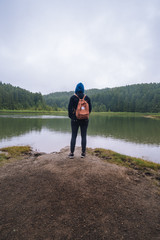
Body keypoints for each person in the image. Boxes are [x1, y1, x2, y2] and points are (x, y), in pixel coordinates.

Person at [68, 82, 92, 158]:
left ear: (76, 89)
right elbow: (90, 109)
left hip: (75, 120)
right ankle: (83, 153)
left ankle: (71, 153)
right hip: (85, 120)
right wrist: (85, 116)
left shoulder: (73, 97)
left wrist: (73, 117)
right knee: (84, 136)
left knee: (74, 136)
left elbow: (69, 110)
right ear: (83, 89)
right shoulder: (87, 98)